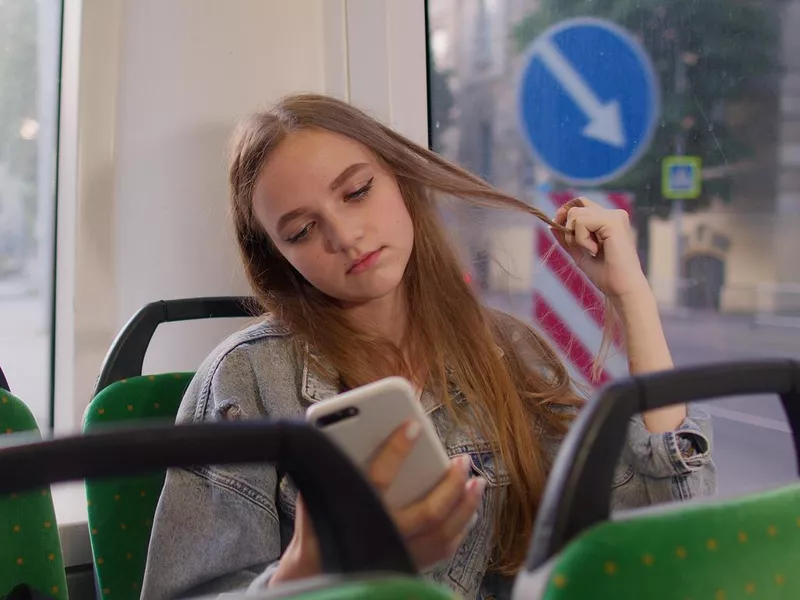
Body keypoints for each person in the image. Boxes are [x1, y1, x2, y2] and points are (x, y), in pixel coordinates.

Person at [140, 94, 715, 600]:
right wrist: (307, 574)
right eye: (301, 231)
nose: (345, 236)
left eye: (357, 192)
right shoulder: (246, 382)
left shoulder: (503, 352)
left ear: (400, 181)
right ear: (278, 257)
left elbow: (654, 520)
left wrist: (629, 294)